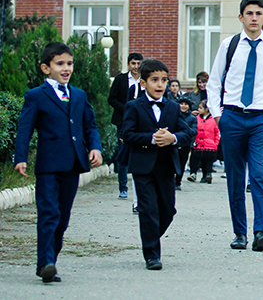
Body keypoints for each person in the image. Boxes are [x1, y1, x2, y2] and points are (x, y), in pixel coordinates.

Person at [14, 42, 103, 283]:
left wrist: (95, 147)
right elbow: (25, 129)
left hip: (73, 165)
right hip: (48, 166)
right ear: (46, 68)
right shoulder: (36, 96)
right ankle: (46, 263)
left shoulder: (79, 95)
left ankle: (51, 258)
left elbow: (90, 125)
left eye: (69, 63)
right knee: (49, 214)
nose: (66, 68)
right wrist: (20, 157)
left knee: (62, 217)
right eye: (60, 64)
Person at [206, 0, 263, 252]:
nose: (254, 18)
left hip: (261, 121)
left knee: (260, 175)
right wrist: (218, 115)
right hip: (231, 117)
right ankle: (239, 233)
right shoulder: (228, 45)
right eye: (249, 13)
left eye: (259, 13)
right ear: (241, 17)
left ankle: (260, 232)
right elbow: (214, 82)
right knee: (235, 177)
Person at [121, 59, 195, 269]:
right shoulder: (133, 106)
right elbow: (127, 134)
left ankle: (151, 235)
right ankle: (152, 254)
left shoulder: (172, 108)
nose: (160, 84)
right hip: (142, 167)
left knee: (168, 210)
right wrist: (151, 138)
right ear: (143, 83)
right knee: (148, 210)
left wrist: (173, 138)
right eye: (155, 80)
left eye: (164, 80)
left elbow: (187, 132)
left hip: (165, 166)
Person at [108, 52, 143, 199]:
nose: (136, 67)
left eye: (138, 63)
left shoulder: (146, 80)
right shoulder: (121, 79)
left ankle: (139, 187)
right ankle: (123, 187)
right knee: (123, 153)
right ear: (128, 65)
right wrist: (126, 109)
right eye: (133, 64)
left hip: (141, 122)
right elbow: (112, 99)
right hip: (123, 121)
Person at [188, 101, 220, 184]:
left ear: (206, 109)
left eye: (200, 108)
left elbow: (217, 133)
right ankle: (193, 173)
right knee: (194, 159)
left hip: (210, 145)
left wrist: (215, 144)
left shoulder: (213, 119)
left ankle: (207, 175)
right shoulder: (196, 118)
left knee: (207, 161)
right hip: (198, 144)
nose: (198, 110)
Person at [174, 97, 198, 191]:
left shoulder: (192, 118)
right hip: (174, 143)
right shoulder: (173, 115)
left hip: (185, 144)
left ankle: (178, 182)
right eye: (181, 104)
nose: (183, 106)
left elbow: (194, 131)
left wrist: (184, 131)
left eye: (186, 104)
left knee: (182, 163)